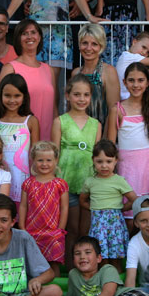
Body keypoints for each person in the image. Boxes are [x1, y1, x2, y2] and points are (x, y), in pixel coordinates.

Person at [52, 75, 101, 266]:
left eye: (86, 95)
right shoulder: (60, 121)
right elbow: (55, 154)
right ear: (67, 96)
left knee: (85, 230)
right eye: (77, 94)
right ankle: (69, 267)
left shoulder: (96, 124)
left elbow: (97, 156)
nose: (81, 99)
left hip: (88, 184)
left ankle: (85, 266)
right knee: (71, 228)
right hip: (66, 183)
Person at [107, 63, 149, 225]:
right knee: (129, 218)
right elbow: (110, 148)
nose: (136, 85)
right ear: (124, 82)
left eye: (140, 80)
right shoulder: (117, 110)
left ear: (147, 83)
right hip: (127, 169)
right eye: (131, 80)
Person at [79, 140, 137, 269]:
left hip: (115, 224)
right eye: (99, 162)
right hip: (98, 225)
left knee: (116, 259)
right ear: (93, 160)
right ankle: (102, 280)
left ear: (116, 161)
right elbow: (82, 201)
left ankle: (117, 279)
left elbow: (133, 199)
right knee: (101, 257)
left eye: (108, 161)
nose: (104, 166)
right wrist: (94, 209)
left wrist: (120, 209)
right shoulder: (90, 182)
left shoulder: (119, 181)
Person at [0, 19, 56, 141]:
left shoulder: (48, 70)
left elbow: (54, 106)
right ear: (18, 39)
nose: (29, 37)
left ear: (39, 37)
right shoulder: (10, 68)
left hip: (47, 138)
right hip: (20, 139)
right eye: (24, 33)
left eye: (33, 32)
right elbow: (1, 104)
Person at [18, 141, 69, 277]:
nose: (44, 164)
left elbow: (64, 207)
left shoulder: (60, 184)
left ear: (56, 160)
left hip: (53, 232)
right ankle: (33, 284)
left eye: (48, 160)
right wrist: (22, 227)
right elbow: (23, 206)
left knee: (53, 263)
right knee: (32, 262)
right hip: (32, 231)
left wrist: (60, 229)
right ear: (33, 161)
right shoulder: (28, 183)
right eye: (40, 160)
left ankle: (56, 285)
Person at [0, 74, 39, 206]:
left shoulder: (31, 121)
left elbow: (36, 154)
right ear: (0, 96)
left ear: (24, 97)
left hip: (22, 177)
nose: (12, 100)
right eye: (7, 95)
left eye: (17, 96)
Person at [69, 23, 120, 127]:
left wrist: (105, 137)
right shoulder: (76, 73)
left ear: (101, 46)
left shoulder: (109, 71)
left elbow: (113, 111)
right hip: (77, 132)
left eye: (94, 44)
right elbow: (71, 109)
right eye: (85, 43)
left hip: (102, 131)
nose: (88, 48)